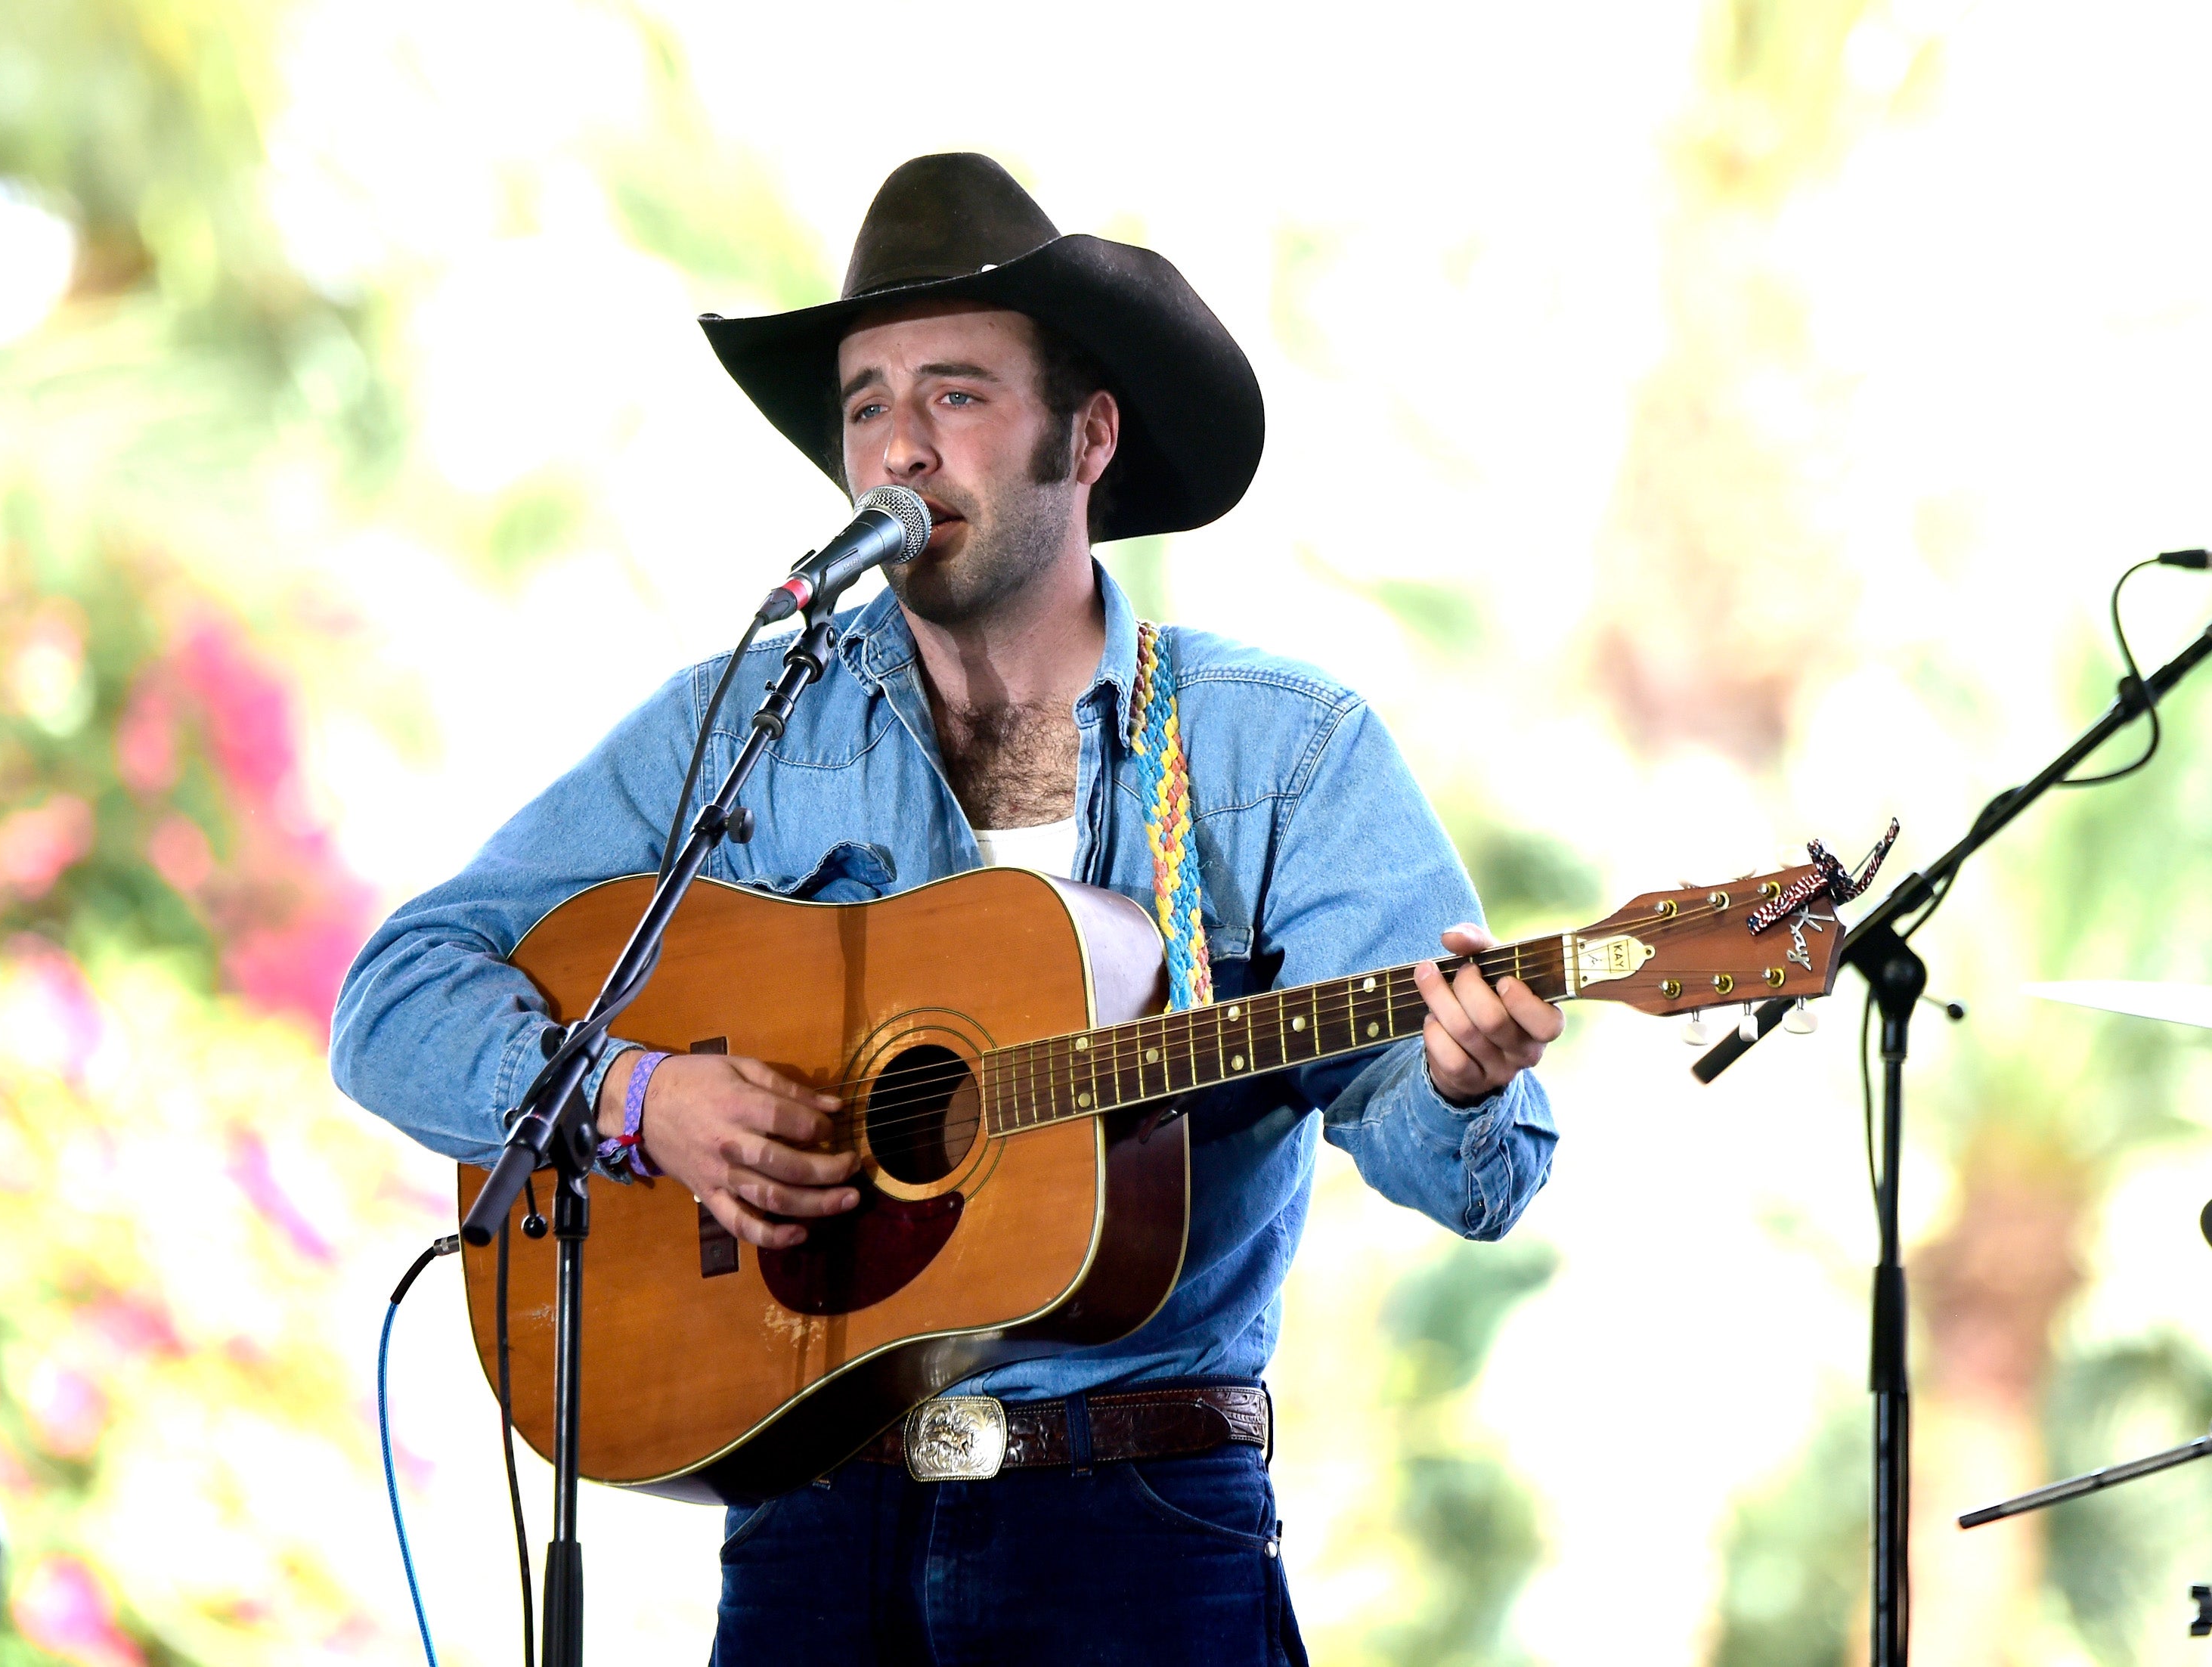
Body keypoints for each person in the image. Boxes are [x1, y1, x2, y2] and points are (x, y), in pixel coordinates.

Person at [331, 153, 1564, 1666]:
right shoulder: (753, 720)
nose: (901, 447)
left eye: (958, 394)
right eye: (866, 405)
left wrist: (1455, 1073)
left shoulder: (1274, 748)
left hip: (1139, 1531)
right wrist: (647, 1095)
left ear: (1087, 434)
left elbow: (1472, 1174)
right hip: (810, 1527)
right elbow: (395, 996)